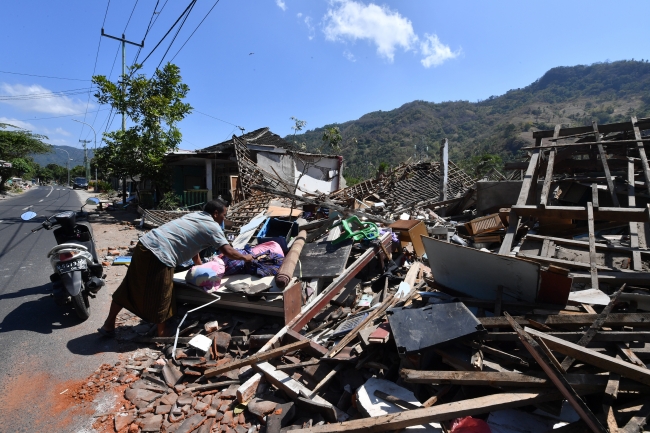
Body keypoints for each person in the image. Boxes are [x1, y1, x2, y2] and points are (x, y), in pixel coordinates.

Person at [98, 199, 252, 337]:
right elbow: (227, 251)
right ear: (216, 213)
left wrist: (200, 267)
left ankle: (108, 324)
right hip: (160, 253)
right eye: (223, 215)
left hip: (144, 245)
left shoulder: (195, 216)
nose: (224, 219)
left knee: (129, 285)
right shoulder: (212, 226)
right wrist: (246, 257)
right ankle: (162, 331)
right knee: (163, 292)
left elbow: (192, 242)